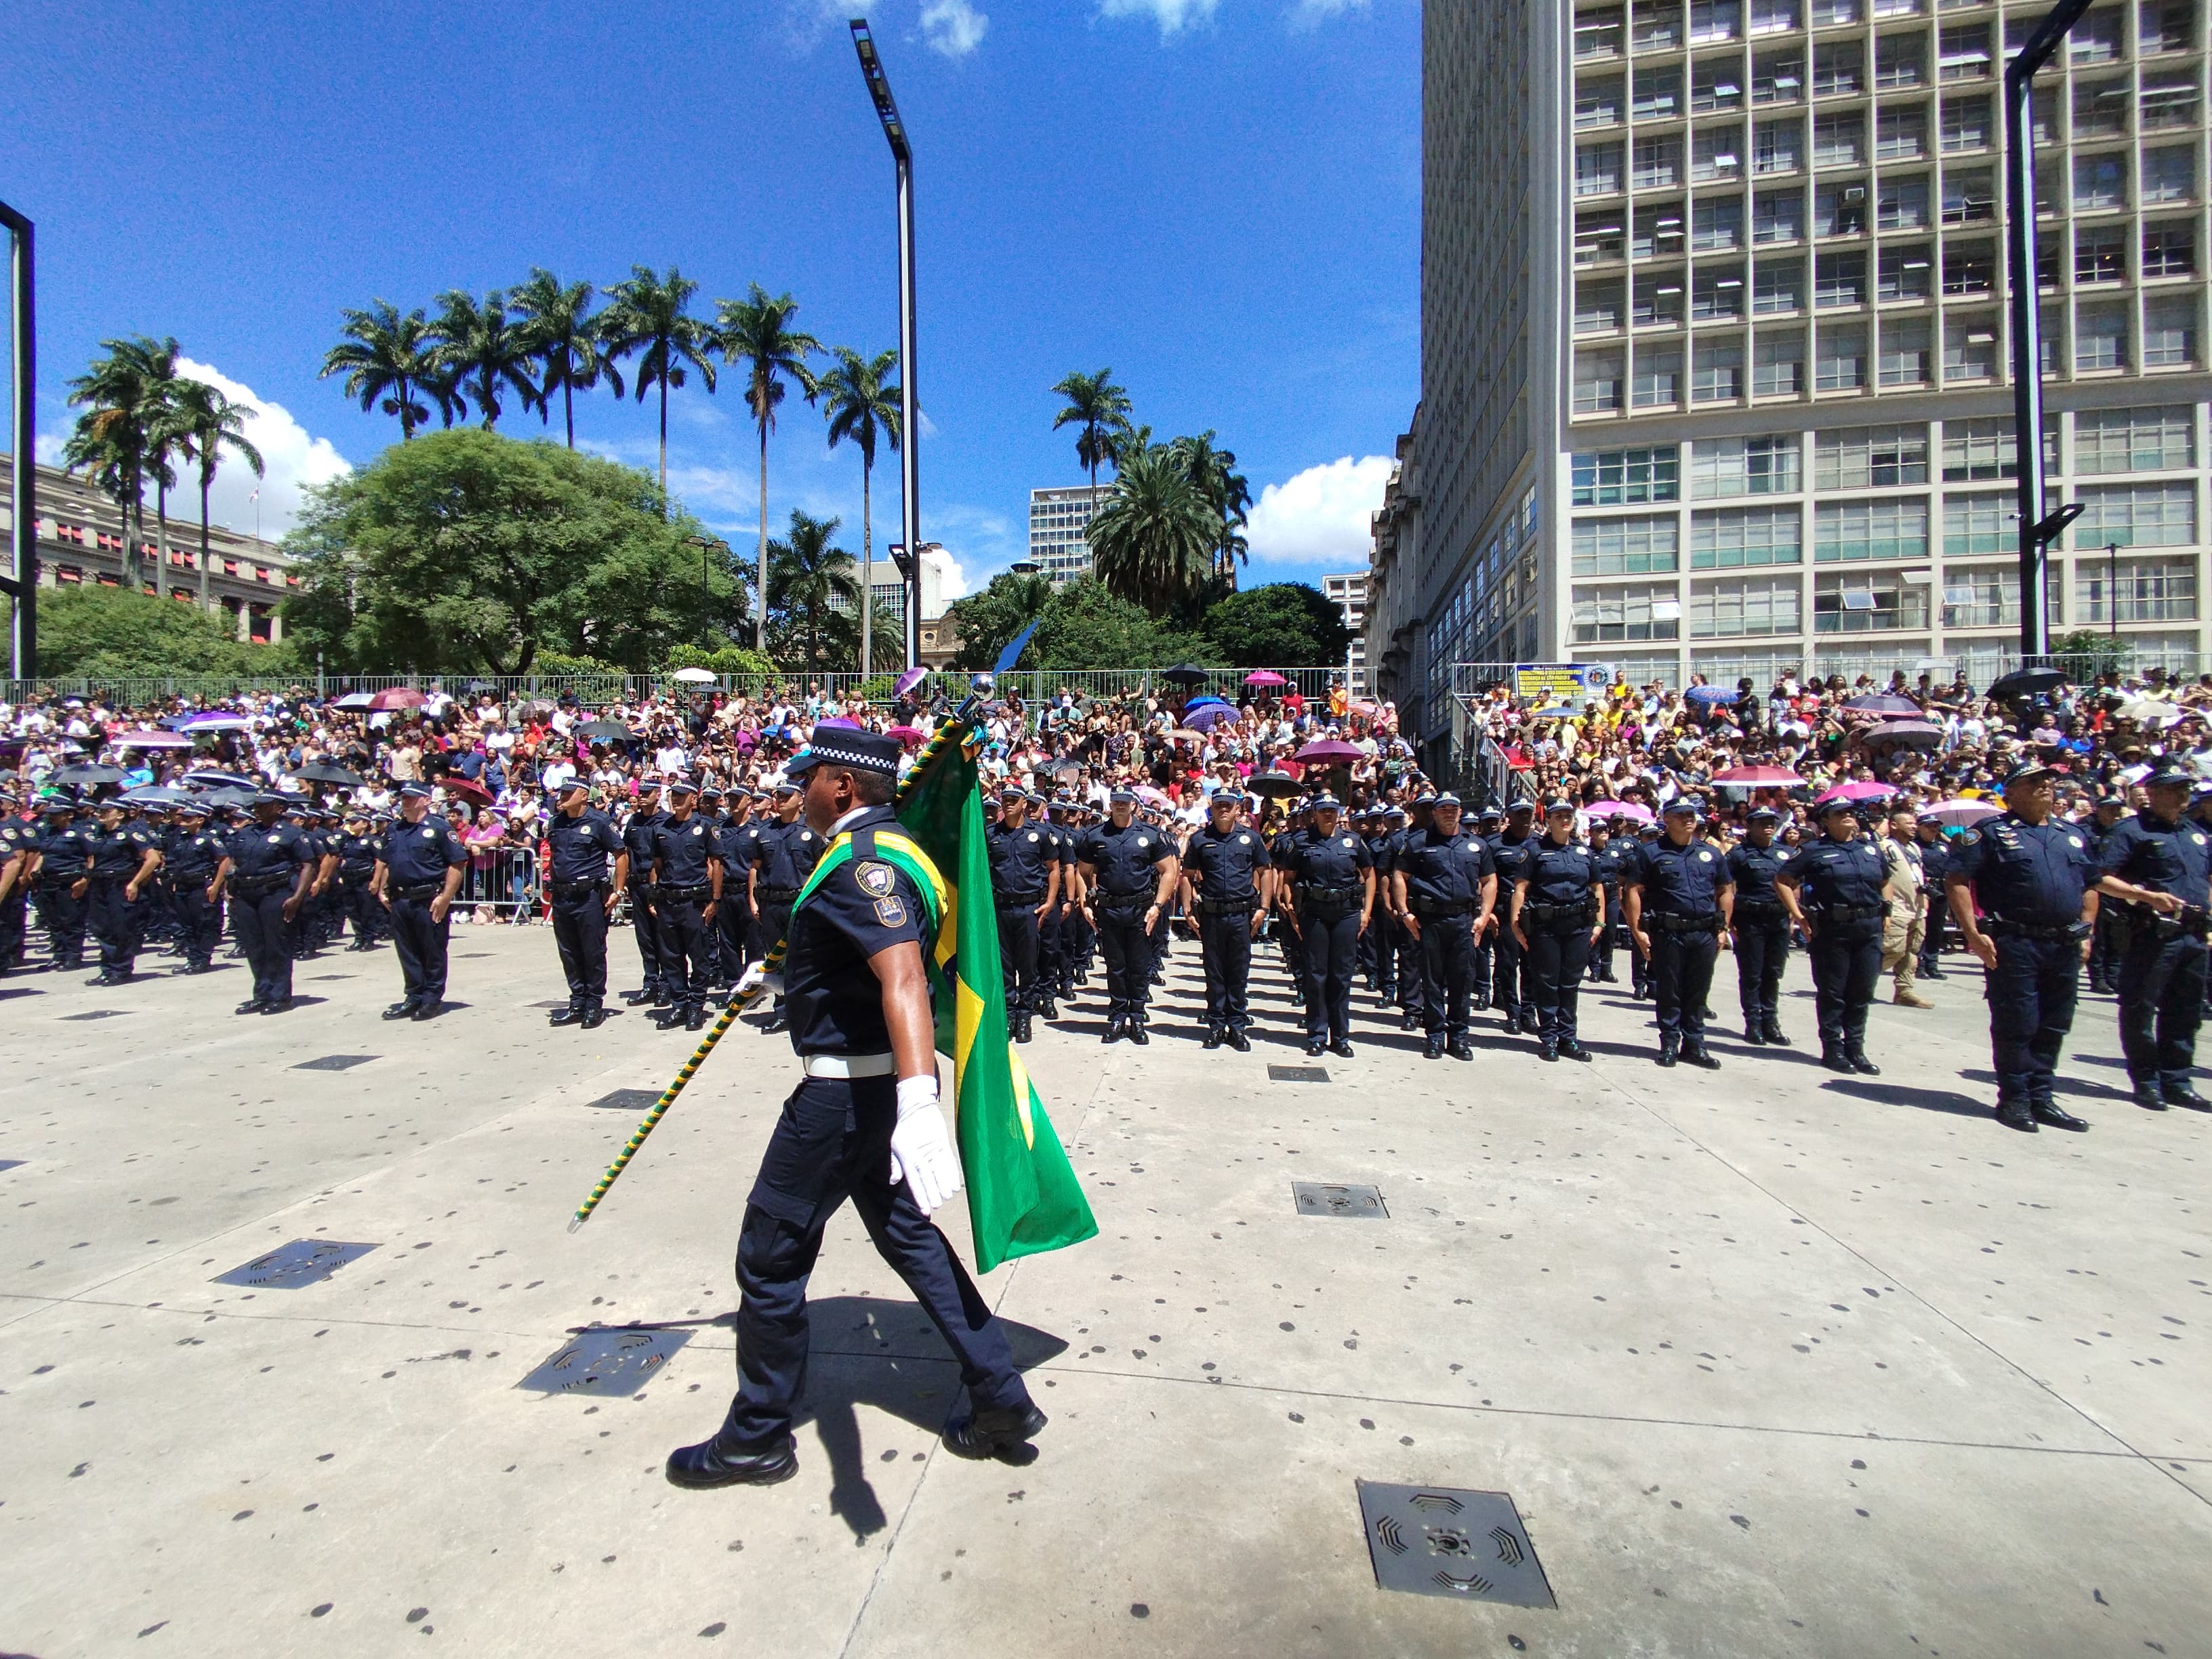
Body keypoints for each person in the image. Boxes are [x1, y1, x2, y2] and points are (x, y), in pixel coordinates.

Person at [665, 727, 1044, 1490]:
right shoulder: (893, 851)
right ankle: (1000, 1395)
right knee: (910, 1239)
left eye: (807, 777)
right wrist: (783, 987)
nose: (795, 789)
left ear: (841, 785)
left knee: (770, 1256)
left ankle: (756, 1436)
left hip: (844, 1098)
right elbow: (858, 971)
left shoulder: (861, 865)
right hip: (869, 1092)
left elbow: (902, 978)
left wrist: (918, 1101)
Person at [1943, 762, 2104, 1132]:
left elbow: (2090, 886)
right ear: (2010, 793)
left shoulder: (2071, 834)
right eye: (2033, 782)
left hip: (2063, 943)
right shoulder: (1991, 833)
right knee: (2018, 1022)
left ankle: (2042, 1097)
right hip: (2015, 942)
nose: (2044, 787)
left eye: (2047, 782)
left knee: (2054, 1023)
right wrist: (1972, 932)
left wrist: (2087, 934)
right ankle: (2015, 1099)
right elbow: (1957, 880)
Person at [2095, 762, 2212, 1111]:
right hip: (2152, 933)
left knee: (2186, 1011)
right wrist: (2147, 897)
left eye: (2186, 790)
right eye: (2175, 790)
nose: (2182, 797)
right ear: (2153, 794)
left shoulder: (2197, 834)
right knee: (2140, 1008)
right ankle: (2146, 1080)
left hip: (2193, 934)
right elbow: (2100, 878)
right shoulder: (2131, 831)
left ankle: (2176, 1079)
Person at [1777, 798, 1889, 1075]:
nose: (1848, 816)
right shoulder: (1814, 851)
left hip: (1869, 928)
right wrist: (1799, 916)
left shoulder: (1870, 849)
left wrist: (1886, 913)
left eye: (1851, 812)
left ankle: (1855, 1048)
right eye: (1841, 813)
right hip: (1832, 930)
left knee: (1862, 991)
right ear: (1826, 820)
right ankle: (1833, 1048)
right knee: (1833, 992)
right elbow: (1782, 880)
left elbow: (1885, 881)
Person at [1622, 796, 1732, 1069]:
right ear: (1667, 820)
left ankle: (1695, 1045)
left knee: (1698, 991)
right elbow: (1633, 891)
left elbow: (1725, 891)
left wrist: (1723, 927)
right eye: (1681, 815)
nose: (1689, 819)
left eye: (1691, 814)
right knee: (1670, 990)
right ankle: (1670, 1043)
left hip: (1704, 932)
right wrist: (1637, 931)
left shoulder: (1711, 853)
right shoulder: (1651, 853)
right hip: (1669, 932)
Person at [1393, 792, 1494, 1061]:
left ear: (1460, 813)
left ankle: (1459, 1037)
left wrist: (1484, 916)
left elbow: (1490, 880)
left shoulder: (1477, 845)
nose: (1449, 813)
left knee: (1462, 980)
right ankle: (1436, 1035)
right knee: (1433, 980)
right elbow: (1400, 876)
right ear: (1435, 813)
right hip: (1431, 920)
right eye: (1443, 809)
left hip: (1464, 921)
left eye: (1454, 809)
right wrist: (1405, 913)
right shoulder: (1418, 843)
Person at [1076, 787, 1179, 1045]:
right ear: (1110, 805)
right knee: (1115, 965)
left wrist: (1157, 906)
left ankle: (1137, 1017)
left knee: (1139, 966)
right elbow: (1082, 872)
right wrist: (1085, 902)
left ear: (1134, 805)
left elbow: (1169, 871)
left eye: (1125, 802)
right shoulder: (1096, 835)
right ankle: (1117, 1017)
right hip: (1109, 909)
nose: (1120, 806)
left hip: (1140, 910)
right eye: (1116, 802)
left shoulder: (1150, 835)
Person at [1278, 794, 1373, 1058]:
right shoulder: (1301, 842)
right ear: (1314, 814)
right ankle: (1317, 1035)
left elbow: (1369, 874)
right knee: (1316, 976)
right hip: (1314, 914)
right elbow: (1288, 878)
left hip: (1346, 913)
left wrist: (1366, 911)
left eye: (1333, 810)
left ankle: (1341, 1037)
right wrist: (1291, 909)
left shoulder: (1352, 841)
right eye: (1323, 811)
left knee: (1342, 976)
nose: (1328, 815)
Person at [1511, 799, 1602, 1061]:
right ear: (1548, 821)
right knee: (1548, 982)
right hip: (1546, 925)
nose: (1565, 819)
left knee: (1571, 983)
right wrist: (1517, 924)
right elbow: (1521, 889)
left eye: (1568, 815)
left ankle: (1568, 1038)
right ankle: (1549, 1038)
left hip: (1577, 926)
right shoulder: (1535, 850)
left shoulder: (1583, 852)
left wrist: (1599, 923)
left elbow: (1597, 888)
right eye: (1558, 815)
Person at [213, 792, 317, 1015]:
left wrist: (297, 897)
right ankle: (262, 994)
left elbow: (308, 865)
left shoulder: (292, 834)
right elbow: (232, 862)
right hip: (246, 894)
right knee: (254, 946)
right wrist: (227, 889)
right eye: (257, 805)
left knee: (276, 945)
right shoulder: (246, 833)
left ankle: (279, 996)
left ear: (279, 808)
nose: (258, 809)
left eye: (264, 805)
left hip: (276, 892)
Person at [1181, 790, 1268, 1050]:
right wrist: (1187, 909)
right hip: (1213, 915)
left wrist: (1264, 907)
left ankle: (1238, 1027)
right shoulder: (1200, 840)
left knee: (1239, 972)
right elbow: (1187, 875)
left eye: (1228, 806)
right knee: (1215, 972)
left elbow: (1265, 872)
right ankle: (1217, 1026)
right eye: (1218, 806)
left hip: (1242, 915)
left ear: (1237, 809)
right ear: (1211, 809)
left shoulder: (1250, 839)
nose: (1223, 810)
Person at [375, 781, 468, 1022]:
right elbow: (388, 861)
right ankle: (414, 995)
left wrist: (446, 897)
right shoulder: (395, 829)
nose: (405, 802)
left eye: (411, 798)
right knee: (407, 951)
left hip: (428, 899)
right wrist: (383, 888)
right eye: (403, 798)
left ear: (426, 800)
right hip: (400, 899)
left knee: (433, 951)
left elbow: (457, 863)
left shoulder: (439, 828)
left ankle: (431, 999)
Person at [543, 777, 628, 1030]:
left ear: (583, 795)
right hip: (562, 896)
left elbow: (621, 854)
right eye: (561, 793)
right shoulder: (555, 823)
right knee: (568, 952)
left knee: (592, 951)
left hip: (589, 896)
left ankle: (594, 1003)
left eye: (569, 793)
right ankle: (577, 1001)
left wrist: (618, 890)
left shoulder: (600, 822)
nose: (562, 797)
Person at [985, 785, 1059, 1044]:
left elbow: (1053, 870)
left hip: (1029, 908)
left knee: (1027, 966)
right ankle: (1009, 1015)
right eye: (1005, 799)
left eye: (1014, 799)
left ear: (1024, 802)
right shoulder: (991, 834)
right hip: (1001, 907)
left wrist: (1050, 902)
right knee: (1004, 966)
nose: (1008, 804)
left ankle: (1025, 1015)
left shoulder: (1040, 833)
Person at [650, 777, 722, 1032]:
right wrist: (654, 897)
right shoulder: (661, 828)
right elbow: (657, 866)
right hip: (669, 900)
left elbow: (716, 864)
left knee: (699, 957)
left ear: (694, 799)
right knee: (671, 957)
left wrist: (714, 900)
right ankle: (678, 1004)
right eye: (673, 795)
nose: (676, 799)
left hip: (694, 902)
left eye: (682, 795)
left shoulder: (706, 827)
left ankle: (696, 1006)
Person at [1725, 807, 1793, 1045]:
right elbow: (1725, 886)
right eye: (1761, 822)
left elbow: (1794, 886)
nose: (1768, 826)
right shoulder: (1739, 854)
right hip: (1750, 919)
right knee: (1752, 973)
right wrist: (1728, 921)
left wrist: (1795, 916)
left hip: (1779, 919)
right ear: (1750, 826)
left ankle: (1770, 1022)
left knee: (1773, 972)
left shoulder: (1786, 853)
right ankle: (1753, 1023)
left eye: (1771, 822)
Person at [81, 799, 162, 986]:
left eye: (107, 811)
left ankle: (121, 969)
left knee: (122, 927)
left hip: (121, 884)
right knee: (102, 927)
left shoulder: (130, 833)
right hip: (100, 883)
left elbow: (153, 859)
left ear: (120, 814)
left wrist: (135, 883)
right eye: (100, 811)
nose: (102, 814)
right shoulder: (99, 834)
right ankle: (107, 969)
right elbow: (93, 858)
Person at [1489, 802, 1540, 1029]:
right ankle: (1512, 1011)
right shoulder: (1494, 845)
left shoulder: (1540, 843)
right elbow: (1486, 881)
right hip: (1505, 912)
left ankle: (1529, 1012)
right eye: (1520, 814)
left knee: (1532, 964)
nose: (1526, 818)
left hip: (1533, 912)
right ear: (1509, 816)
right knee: (1507, 963)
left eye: (1528, 813)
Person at [621, 780, 670, 1009]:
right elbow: (627, 852)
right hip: (638, 883)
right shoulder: (634, 821)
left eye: (647, 793)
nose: (642, 796)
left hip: (659, 885)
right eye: (639, 793)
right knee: (645, 938)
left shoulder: (666, 821)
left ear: (657, 795)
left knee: (663, 937)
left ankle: (667, 983)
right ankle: (650, 981)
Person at [163, 801, 227, 974]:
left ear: (200, 820)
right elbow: (175, 862)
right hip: (184, 886)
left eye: (188, 817)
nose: (183, 820)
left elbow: (225, 861)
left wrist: (216, 885)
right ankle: (193, 958)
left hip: (201, 885)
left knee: (203, 924)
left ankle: (203, 959)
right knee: (187, 924)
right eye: (183, 817)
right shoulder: (181, 838)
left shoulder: (209, 838)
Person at [1879, 804, 1933, 1009]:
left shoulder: (1914, 848)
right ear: (1893, 825)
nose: (1914, 826)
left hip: (1917, 908)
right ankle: (1858, 981)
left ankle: (1905, 991)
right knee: (1893, 949)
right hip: (1898, 907)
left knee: (1911, 951)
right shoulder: (1884, 846)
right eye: (1909, 823)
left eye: (1915, 823)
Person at [31, 796, 93, 972]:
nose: (52, 817)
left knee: (71, 921)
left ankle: (73, 956)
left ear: (68, 815)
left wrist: (85, 880)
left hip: (70, 881)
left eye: (57, 814)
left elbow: (92, 857)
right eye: (51, 814)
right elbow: (43, 853)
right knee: (54, 922)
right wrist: (35, 871)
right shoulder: (49, 832)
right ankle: (59, 955)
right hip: (49, 881)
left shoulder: (80, 833)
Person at [0, 787, 36, 972]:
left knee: (9, 918)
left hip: (10, 880)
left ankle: (11, 956)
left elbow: (25, 854)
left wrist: (24, 875)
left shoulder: (15, 826)